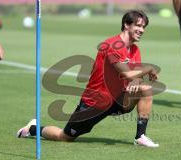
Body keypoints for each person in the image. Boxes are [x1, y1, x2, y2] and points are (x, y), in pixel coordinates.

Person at [17, 10, 160, 148]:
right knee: (65, 137)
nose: (142, 30)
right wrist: (149, 68)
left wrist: (136, 81)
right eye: (139, 25)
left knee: (145, 89)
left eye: (144, 27)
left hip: (117, 99)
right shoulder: (112, 45)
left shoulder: (135, 50)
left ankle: (140, 137)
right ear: (127, 25)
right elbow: (128, 74)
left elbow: (134, 76)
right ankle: (32, 129)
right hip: (95, 103)